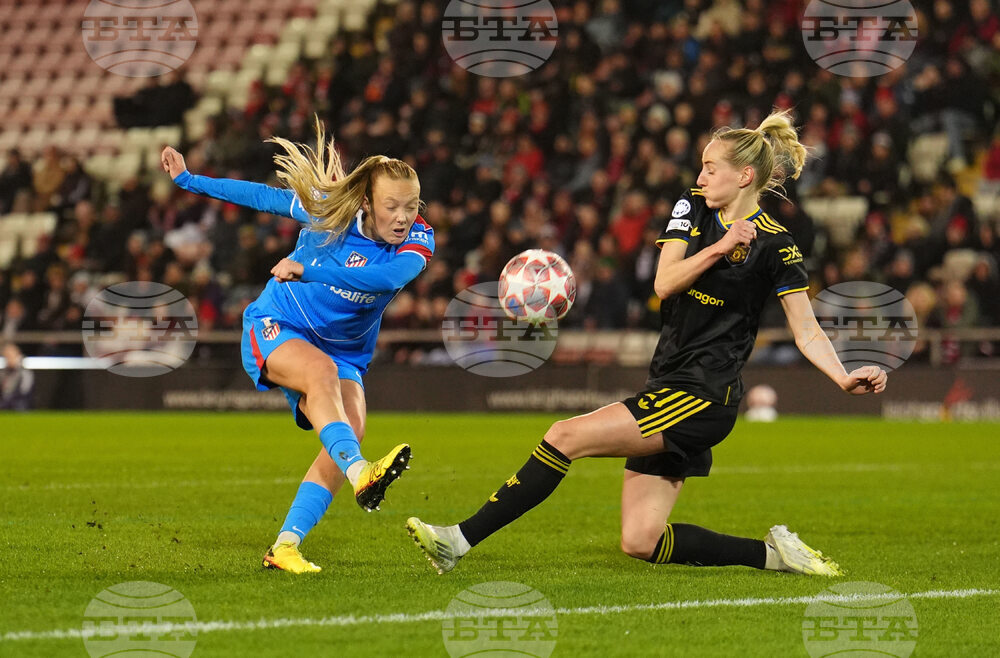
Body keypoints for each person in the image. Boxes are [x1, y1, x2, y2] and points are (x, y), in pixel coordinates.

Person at [407, 109, 888, 576]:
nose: (700, 176)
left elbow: (806, 329)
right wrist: (721, 248)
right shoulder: (693, 206)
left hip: (703, 394)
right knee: (641, 541)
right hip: (669, 380)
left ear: (744, 177)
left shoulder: (778, 246)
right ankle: (772, 554)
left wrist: (843, 376)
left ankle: (458, 540)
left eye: (710, 167)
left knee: (563, 436)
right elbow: (664, 283)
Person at [161, 119, 435, 574]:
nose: (404, 217)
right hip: (278, 325)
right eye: (392, 206)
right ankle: (360, 474)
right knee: (322, 378)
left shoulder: (418, 238)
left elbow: (385, 279)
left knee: (350, 429)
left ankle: (286, 545)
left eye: (411, 205)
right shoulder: (329, 210)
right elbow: (261, 196)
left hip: (343, 352)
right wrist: (189, 180)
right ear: (368, 201)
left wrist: (311, 271)